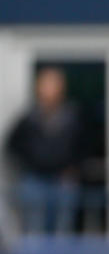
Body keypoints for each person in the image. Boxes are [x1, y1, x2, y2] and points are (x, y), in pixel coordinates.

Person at [5, 67, 83, 235]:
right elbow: (12, 146)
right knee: (34, 231)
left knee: (63, 232)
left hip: (63, 181)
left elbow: (84, 146)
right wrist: (27, 165)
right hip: (35, 180)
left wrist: (73, 167)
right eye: (47, 84)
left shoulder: (72, 117)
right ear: (38, 87)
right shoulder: (28, 118)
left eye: (55, 84)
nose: (51, 89)